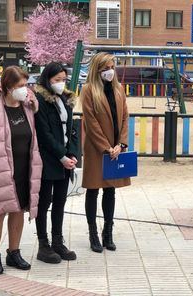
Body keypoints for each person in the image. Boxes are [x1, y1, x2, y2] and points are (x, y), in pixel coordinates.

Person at [0, 66, 42, 275]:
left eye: (26, 84)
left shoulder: (27, 108)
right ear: (8, 86)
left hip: (24, 168)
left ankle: (13, 252)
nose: (25, 89)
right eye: (21, 86)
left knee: (18, 210)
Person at [80, 53, 130, 253]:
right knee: (93, 190)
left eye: (112, 67)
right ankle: (93, 233)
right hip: (96, 149)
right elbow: (90, 123)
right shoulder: (88, 90)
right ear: (97, 70)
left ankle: (107, 232)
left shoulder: (118, 89)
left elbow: (125, 117)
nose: (110, 71)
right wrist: (106, 147)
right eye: (105, 68)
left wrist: (121, 144)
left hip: (115, 149)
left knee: (111, 190)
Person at [34, 62, 79, 263]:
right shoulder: (40, 100)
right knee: (44, 202)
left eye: (63, 80)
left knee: (60, 201)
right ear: (47, 79)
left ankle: (58, 241)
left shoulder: (66, 99)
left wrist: (72, 154)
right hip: (48, 159)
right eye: (57, 80)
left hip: (65, 159)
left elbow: (71, 130)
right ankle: (43, 245)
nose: (61, 84)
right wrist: (61, 156)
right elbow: (44, 133)